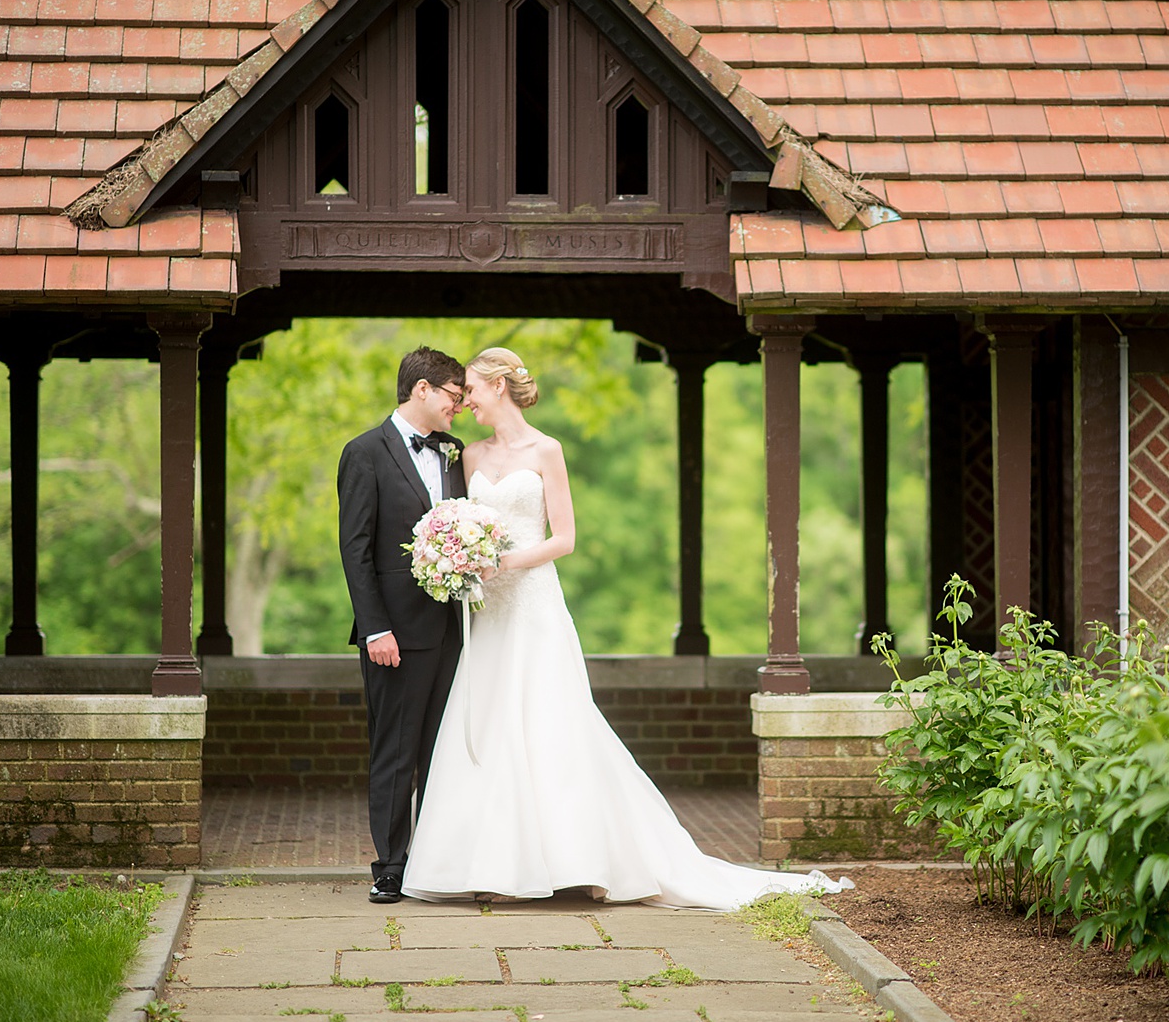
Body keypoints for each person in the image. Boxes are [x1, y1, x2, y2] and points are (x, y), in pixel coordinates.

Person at [400, 348, 850, 910]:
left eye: (470, 387)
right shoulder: (466, 457)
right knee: (490, 726)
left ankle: (589, 861)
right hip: (488, 611)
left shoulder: (547, 451)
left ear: (498, 385)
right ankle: (494, 865)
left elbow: (564, 538)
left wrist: (503, 563)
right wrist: (462, 556)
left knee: (552, 725)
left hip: (534, 605)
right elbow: (464, 519)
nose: (464, 399)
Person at [337, 346, 468, 904]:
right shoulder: (363, 452)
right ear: (422, 390)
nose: (457, 408)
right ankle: (390, 865)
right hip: (393, 634)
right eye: (453, 397)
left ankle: (437, 863)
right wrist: (375, 629)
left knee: (442, 751)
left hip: (452, 631)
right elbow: (355, 549)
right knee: (394, 751)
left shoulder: (453, 455)